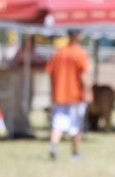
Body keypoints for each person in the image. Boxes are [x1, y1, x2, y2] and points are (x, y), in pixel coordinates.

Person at [45, 29, 88, 161]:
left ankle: (54, 146)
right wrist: (89, 92)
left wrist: (52, 92)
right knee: (75, 125)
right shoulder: (80, 53)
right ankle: (74, 153)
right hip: (75, 95)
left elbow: (50, 73)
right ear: (77, 36)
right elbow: (84, 75)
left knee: (58, 123)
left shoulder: (58, 53)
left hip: (59, 95)